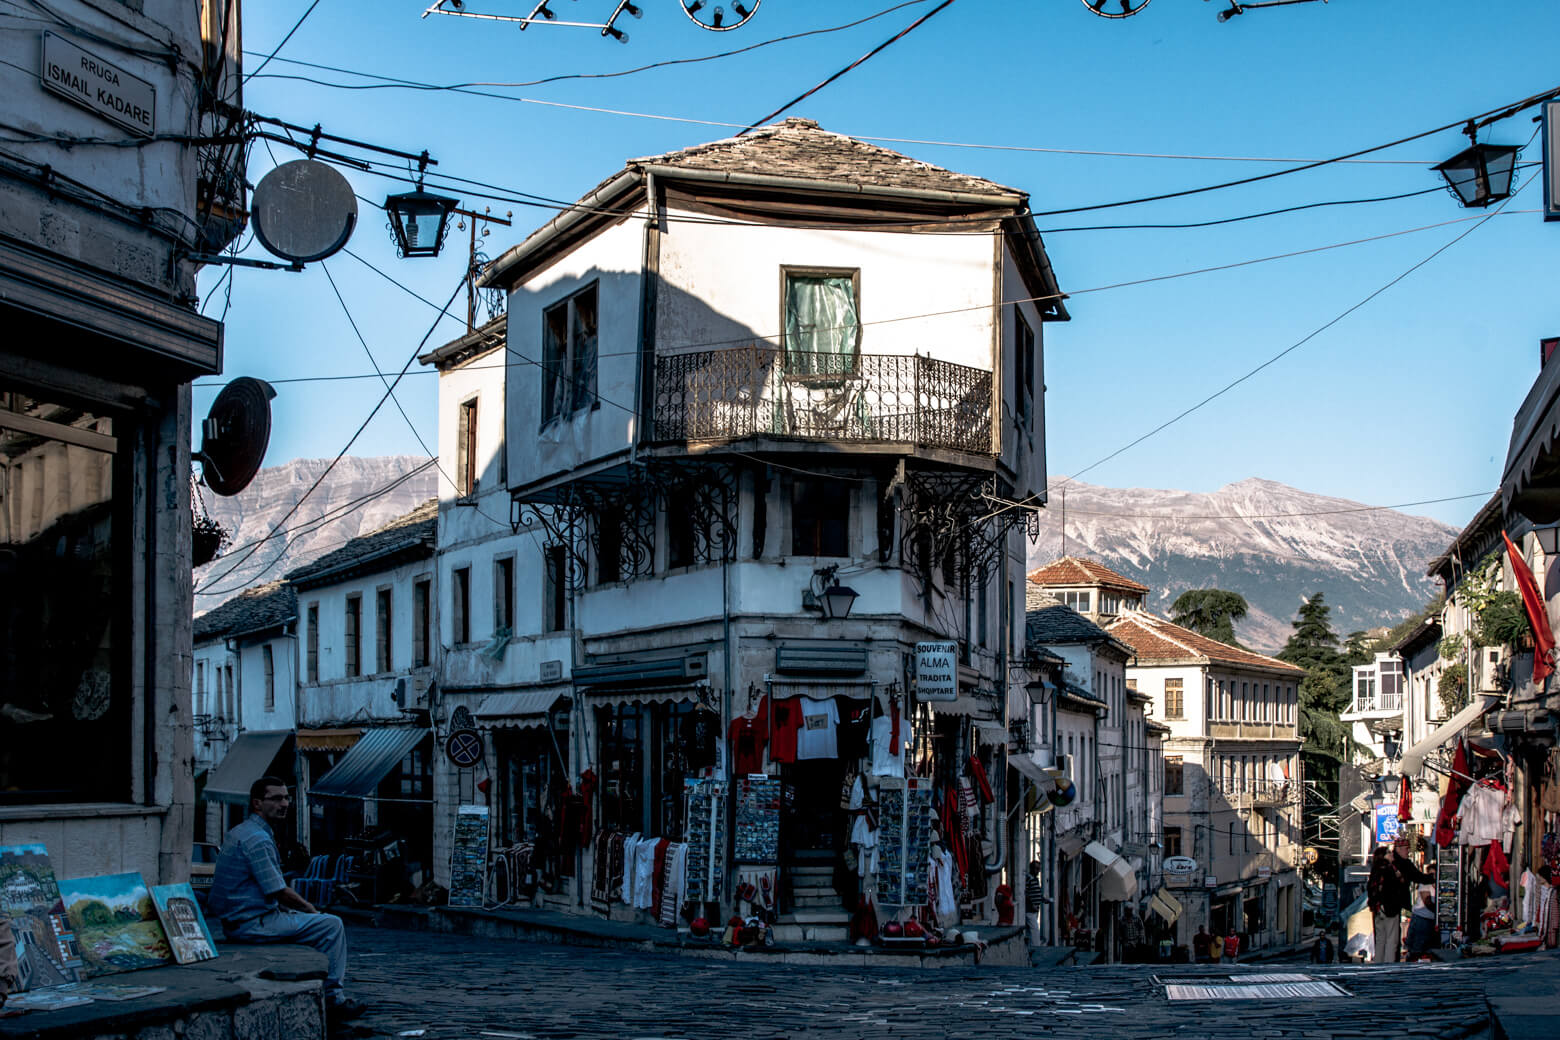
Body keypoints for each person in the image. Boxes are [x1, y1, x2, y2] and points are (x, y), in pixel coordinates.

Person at [208, 777, 363, 1020]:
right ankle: (334, 999)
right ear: (257, 803)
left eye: (286, 797)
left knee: (308, 922)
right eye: (277, 798)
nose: (284, 804)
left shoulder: (240, 832)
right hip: (252, 923)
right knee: (331, 925)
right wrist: (311, 910)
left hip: (240, 919)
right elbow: (278, 891)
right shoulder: (257, 839)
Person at [1367, 840, 1434, 963]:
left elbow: (1371, 888)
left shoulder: (1376, 868)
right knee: (1392, 939)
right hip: (1390, 907)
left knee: (1381, 938)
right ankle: (1389, 966)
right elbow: (1415, 878)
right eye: (1406, 848)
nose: (1408, 851)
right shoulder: (1393, 867)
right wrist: (1433, 877)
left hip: (1377, 908)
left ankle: (1378, 964)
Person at [1404, 886, 1438, 961]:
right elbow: (1427, 901)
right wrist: (1440, 911)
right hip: (1422, 919)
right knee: (1417, 950)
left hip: (1432, 920)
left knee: (1429, 951)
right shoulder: (1425, 884)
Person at [1024, 861, 1047, 946]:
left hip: (1035, 909)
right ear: (1032, 869)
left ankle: (1031, 946)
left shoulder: (1036, 879)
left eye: (1039, 869)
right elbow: (1025, 893)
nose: (1038, 871)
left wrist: (1043, 899)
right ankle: (1036, 947)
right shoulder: (1028, 878)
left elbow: (1037, 892)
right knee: (1035, 930)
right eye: (1037, 869)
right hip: (1029, 910)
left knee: (1030, 931)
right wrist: (1031, 904)